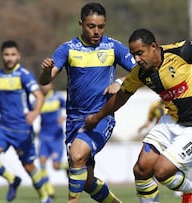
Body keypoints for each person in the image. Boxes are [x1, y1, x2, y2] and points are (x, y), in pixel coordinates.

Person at [84, 28, 192, 203]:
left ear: (153, 47)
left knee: (162, 172)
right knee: (141, 169)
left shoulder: (182, 51)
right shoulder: (141, 73)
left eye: (139, 53)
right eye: (133, 54)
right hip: (173, 120)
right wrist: (97, 117)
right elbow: (121, 96)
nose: (136, 59)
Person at [39, 3, 136, 203]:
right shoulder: (67, 49)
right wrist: (47, 70)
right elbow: (45, 81)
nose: (97, 31)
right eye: (92, 26)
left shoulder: (113, 47)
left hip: (100, 117)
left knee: (76, 156)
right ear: (81, 24)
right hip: (74, 121)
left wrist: (119, 82)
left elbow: (140, 71)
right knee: (87, 181)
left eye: (101, 26)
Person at [0, 40, 51, 203]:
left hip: (22, 130)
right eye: (6, 54)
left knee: (29, 167)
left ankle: (44, 197)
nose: (9, 58)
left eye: (13, 54)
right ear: (1, 56)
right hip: (3, 128)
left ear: (19, 56)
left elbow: (39, 96)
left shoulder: (24, 75)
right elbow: (0, 100)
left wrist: (35, 112)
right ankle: (13, 179)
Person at [37, 82, 68, 199]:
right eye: (42, 84)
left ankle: (66, 167)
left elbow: (70, 108)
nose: (44, 87)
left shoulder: (57, 97)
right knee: (42, 162)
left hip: (56, 137)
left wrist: (64, 117)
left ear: (52, 86)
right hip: (43, 137)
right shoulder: (37, 99)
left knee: (56, 166)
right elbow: (31, 112)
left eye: (46, 84)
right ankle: (49, 190)